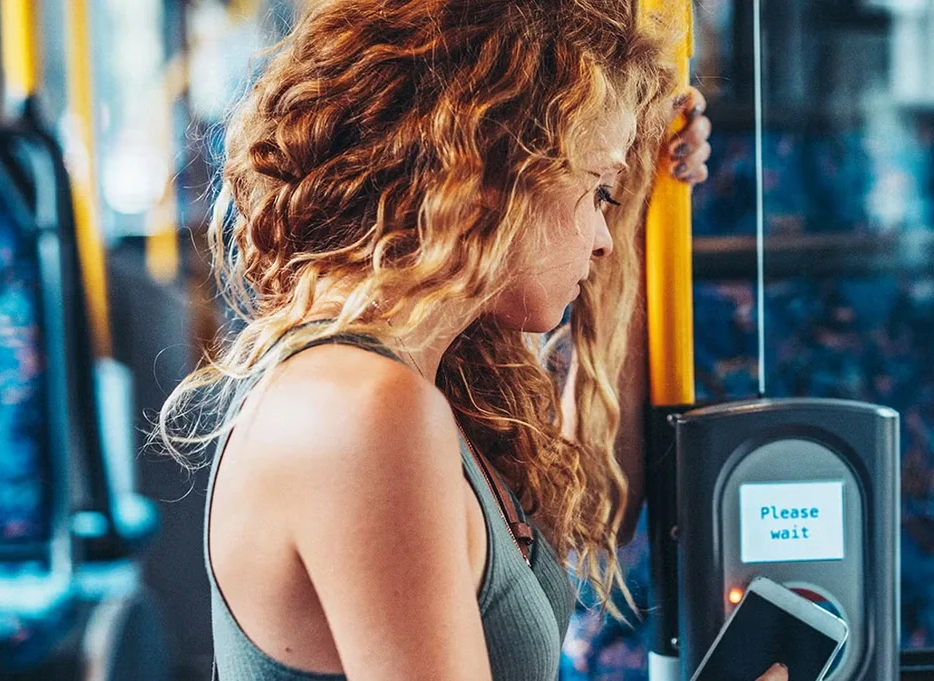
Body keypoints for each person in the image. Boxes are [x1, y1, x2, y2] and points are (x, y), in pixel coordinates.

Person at [157, 0, 786, 679]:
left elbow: (598, 504)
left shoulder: (427, 379)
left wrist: (638, 196)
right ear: (496, 174)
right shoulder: (363, 409)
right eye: (598, 191)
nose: (602, 240)